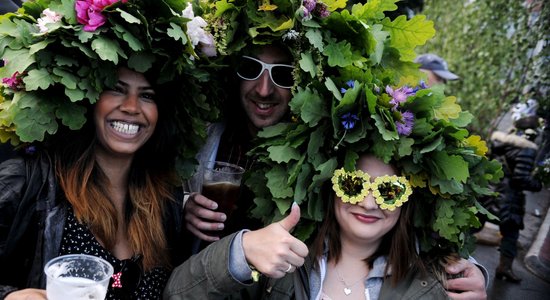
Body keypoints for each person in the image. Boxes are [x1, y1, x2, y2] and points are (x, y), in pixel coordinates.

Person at [183, 2, 490, 297]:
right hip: (207, 279)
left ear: (305, 76)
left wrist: (467, 270)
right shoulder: (204, 133)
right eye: (251, 69)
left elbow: (402, 203)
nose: (264, 89)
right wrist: (184, 205)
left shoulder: (333, 143)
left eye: (283, 74)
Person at [0, 0, 219, 299]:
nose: (131, 108)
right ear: (89, 97)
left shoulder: (166, 200)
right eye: (116, 89)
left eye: (147, 96)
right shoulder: (29, 182)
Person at [490, 115, 542, 283]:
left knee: (472, 224)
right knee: (511, 233)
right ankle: (504, 267)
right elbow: (520, 178)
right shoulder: (527, 149)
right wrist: (537, 184)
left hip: (490, 189)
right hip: (509, 197)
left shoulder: (499, 141)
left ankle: (450, 257)